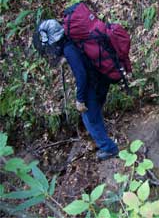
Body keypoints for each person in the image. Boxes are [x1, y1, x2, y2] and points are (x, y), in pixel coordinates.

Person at [34, 19, 119, 161]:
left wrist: (80, 99)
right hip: (101, 77)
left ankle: (109, 149)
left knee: (89, 118)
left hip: (93, 83)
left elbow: (81, 75)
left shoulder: (68, 49)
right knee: (95, 112)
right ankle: (103, 140)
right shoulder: (71, 37)